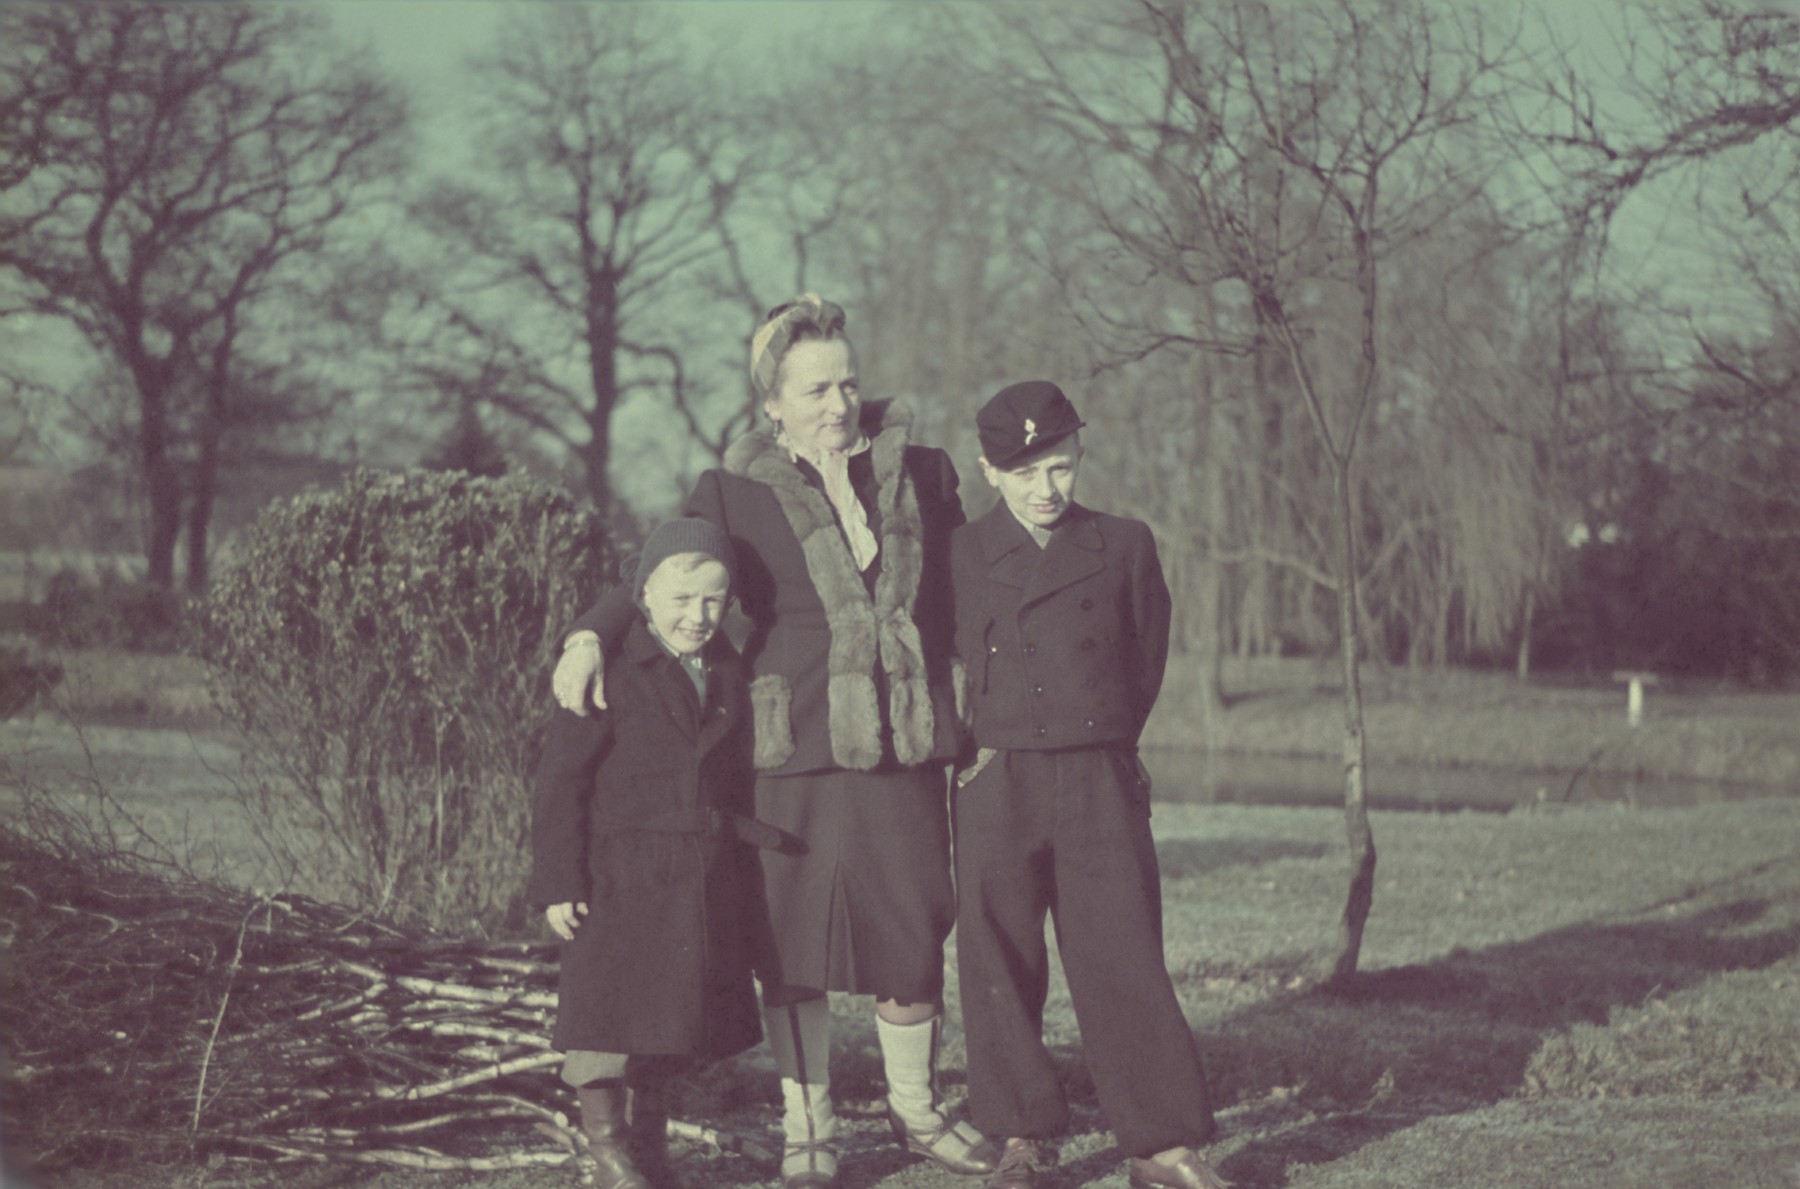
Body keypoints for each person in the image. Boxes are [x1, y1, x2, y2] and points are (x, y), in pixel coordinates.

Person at [551, 296, 997, 1189]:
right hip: (785, 751)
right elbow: (658, 572)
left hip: (904, 747)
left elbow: (966, 596)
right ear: (773, 403)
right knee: (793, 946)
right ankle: (811, 1129)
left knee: (912, 930)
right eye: (815, 388)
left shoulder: (925, 473)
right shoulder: (734, 491)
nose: (838, 404)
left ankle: (915, 1112)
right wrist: (589, 634)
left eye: (848, 382)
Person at [948, 381, 1232, 1189]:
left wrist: (1103, 739)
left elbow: (1144, 657)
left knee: (1123, 952)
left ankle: (1161, 1143)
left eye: (1062, 467)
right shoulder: (960, 554)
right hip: (996, 778)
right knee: (998, 957)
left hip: (1097, 775)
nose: (1047, 488)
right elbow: (944, 660)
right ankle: (1021, 1139)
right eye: (1027, 472)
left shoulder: (1124, 543)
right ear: (990, 472)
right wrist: (972, 747)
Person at [529, 518, 768, 1189]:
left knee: (668, 1020)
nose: (697, 615)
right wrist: (558, 881)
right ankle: (609, 1154)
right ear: (643, 597)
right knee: (604, 1020)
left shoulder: (725, 668)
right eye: (680, 599)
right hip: (616, 876)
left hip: (691, 876)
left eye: (713, 600)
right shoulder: (610, 668)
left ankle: (650, 1151)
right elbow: (559, 786)